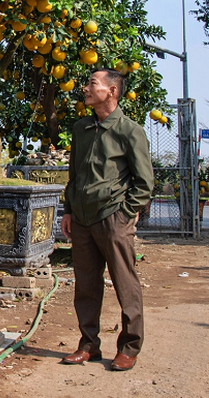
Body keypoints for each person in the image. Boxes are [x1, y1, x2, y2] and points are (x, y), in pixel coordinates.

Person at [60, 68, 154, 371]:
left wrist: (126, 213)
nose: (86, 89)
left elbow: (144, 181)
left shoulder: (129, 130)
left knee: (125, 283)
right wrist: (68, 211)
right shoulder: (81, 128)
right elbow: (74, 176)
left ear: (111, 91)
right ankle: (88, 345)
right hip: (83, 220)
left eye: (92, 84)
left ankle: (129, 347)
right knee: (86, 285)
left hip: (113, 218)